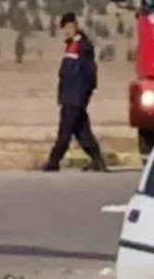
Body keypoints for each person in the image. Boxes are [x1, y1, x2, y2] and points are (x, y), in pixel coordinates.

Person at [43, 12, 107, 172]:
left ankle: (53, 161)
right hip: (69, 96)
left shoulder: (83, 46)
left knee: (65, 130)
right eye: (65, 28)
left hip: (75, 97)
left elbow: (89, 74)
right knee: (82, 131)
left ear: (75, 26)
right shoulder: (71, 46)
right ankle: (97, 160)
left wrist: (84, 95)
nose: (67, 31)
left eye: (69, 27)